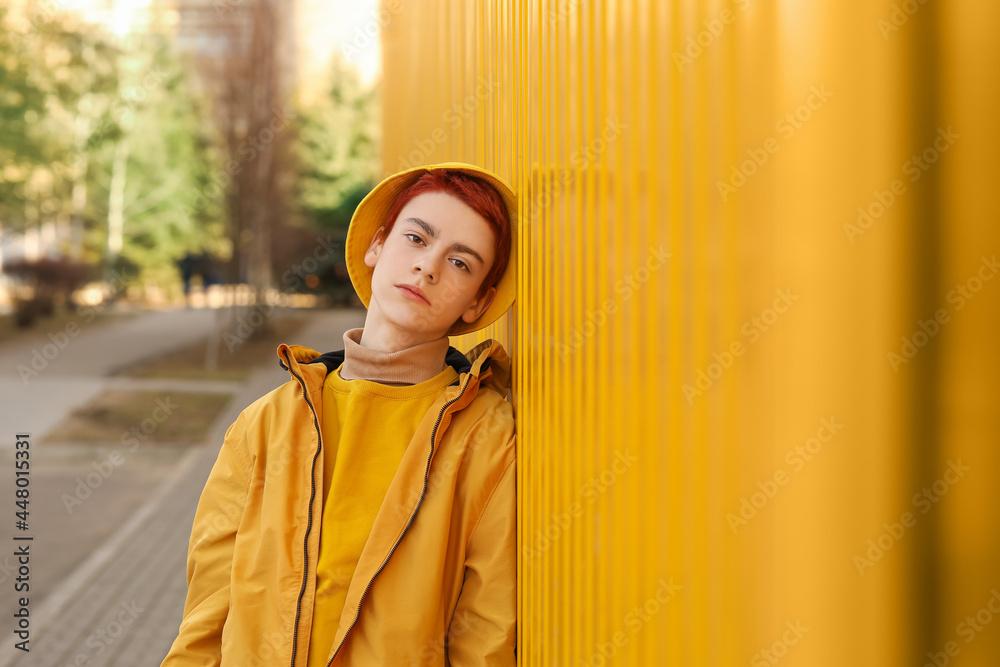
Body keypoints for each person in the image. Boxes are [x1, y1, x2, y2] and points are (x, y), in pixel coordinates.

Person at [161, 162, 518, 666]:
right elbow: (206, 619)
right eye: (416, 239)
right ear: (377, 245)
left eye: (460, 263)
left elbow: (485, 634)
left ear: (478, 301)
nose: (428, 268)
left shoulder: (485, 438)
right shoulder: (263, 425)